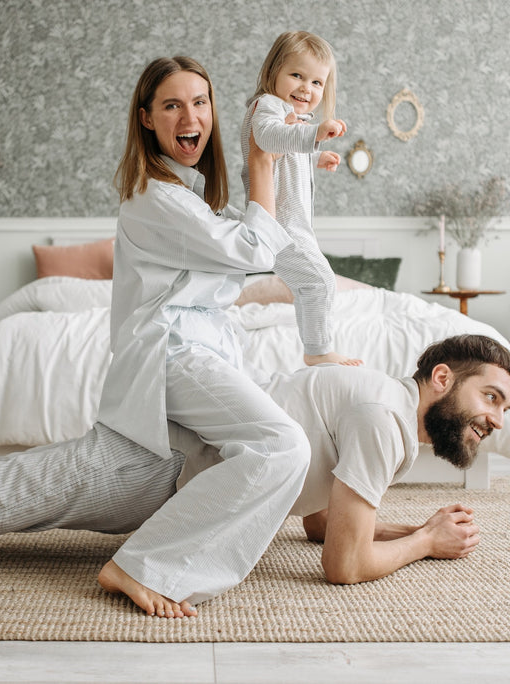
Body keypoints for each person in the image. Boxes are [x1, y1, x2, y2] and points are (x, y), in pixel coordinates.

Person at [0, 335, 510, 613]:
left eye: (506, 414)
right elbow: (343, 567)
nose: (493, 419)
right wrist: (421, 543)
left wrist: (407, 529)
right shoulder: (388, 413)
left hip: (167, 477)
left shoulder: (380, 411)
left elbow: (317, 525)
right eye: (491, 396)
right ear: (442, 379)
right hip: (151, 466)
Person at [94, 56, 311, 617]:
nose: (190, 116)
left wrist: (289, 156)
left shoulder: (193, 197)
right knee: (284, 445)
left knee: (254, 449)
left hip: (201, 351)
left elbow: (264, 233)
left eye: (200, 102)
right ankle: (139, 565)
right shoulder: (156, 199)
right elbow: (254, 250)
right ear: (146, 118)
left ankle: (170, 557)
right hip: (172, 352)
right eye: (171, 104)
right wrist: (260, 159)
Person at [241, 30, 357, 367]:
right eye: (297, 75)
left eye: (317, 82)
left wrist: (314, 157)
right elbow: (268, 137)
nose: (307, 88)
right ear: (273, 71)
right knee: (320, 280)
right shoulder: (267, 106)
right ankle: (318, 350)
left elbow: (286, 150)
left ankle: (316, 347)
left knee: (313, 283)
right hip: (278, 222)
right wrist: (314, 134)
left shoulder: (292, 118)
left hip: (294, 223)